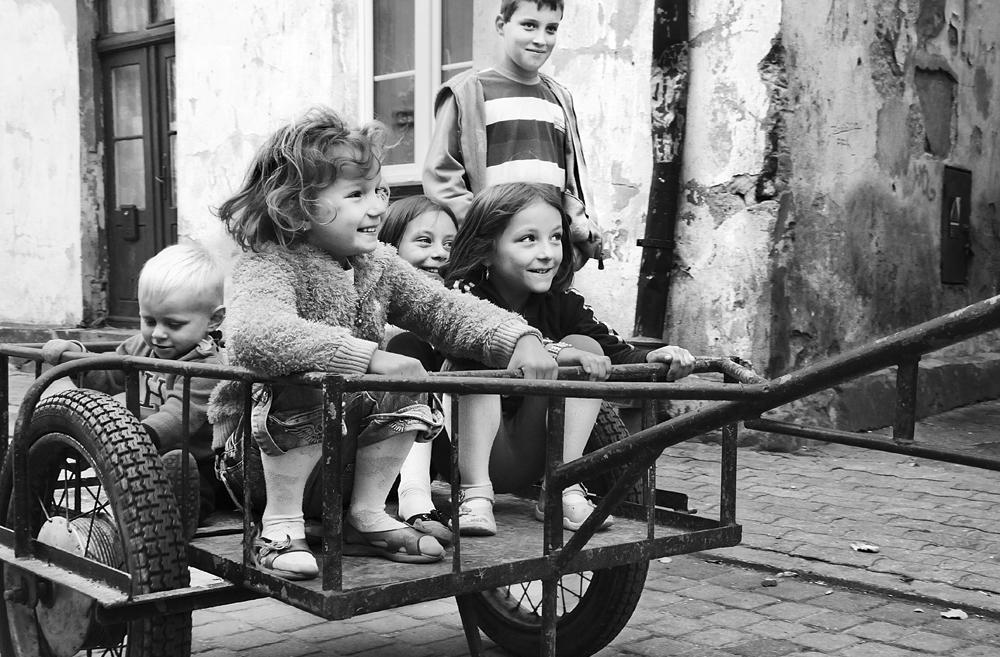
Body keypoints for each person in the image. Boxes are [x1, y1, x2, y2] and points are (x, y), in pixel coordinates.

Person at [208, 107, 555, 581]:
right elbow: (255, 335)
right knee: (312, 377)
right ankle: (279, 529)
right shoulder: (269, 263)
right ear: (295, 207)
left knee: (407, 370)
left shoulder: (376, 264)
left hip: (343, 465)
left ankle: (367, 514)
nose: (376, 208)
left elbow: (443, 309)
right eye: (356, 194)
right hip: (257, 467)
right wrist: (367, 355)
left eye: (379, 191)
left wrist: (520, 339)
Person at [440, 182, 696, 536]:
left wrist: (654, 355)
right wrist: (548, 349)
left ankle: (561, 486)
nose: (548, 252)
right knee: (475, 352)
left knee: (585, 346)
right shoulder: (463, 297)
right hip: (462, 453)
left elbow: (613, 351)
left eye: (556, 238)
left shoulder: (563, 301)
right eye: (528, 239)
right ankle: (474, 497)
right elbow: (455, 340)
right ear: (485, 249)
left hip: (530, 454)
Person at [40, 243, 228, 540]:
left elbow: (180, 414)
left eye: (174, 324)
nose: (158, 333)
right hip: (134, 452)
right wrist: (76, 358)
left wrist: (134, 436)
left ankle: (176, 521)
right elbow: (107, 375)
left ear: (214, 320)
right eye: (149, 320)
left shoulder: (209, 366)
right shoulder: (139, 347)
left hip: (196, 461)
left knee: (184, 472)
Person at [422, 0, 603, 269]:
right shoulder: (468, 91)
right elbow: (442, 178)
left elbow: (572, 183)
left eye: (551, 29)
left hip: (548, 258)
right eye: (529, 25)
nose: (541, 39)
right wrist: (485, 237)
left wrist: (577, 242)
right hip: (489, 259)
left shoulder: (559, 97)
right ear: (501, 25)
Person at [377, 196, 457, 546]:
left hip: (438, 448)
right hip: (377, 456)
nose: (440, 253)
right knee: (407, 347)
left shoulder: (456, 305)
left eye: (450, 244)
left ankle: (465, 489)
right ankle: (414, 499)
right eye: (424, 241)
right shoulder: (375, 303)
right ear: (391, 248)